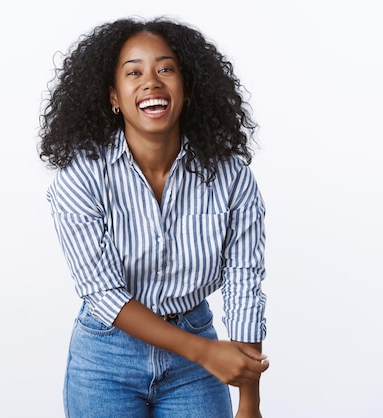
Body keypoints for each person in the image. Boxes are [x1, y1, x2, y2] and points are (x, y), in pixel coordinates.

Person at [39, 16, 269, 418]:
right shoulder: (80, 176)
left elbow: (244, 284)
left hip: (194, 363)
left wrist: (249, 402)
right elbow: (104, 293)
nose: (152, 82)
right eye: (134, 72)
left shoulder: (231, 176)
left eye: (166, 69)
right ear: (113, 96)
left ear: (188, 89)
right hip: (106, 359)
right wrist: (206, 353)